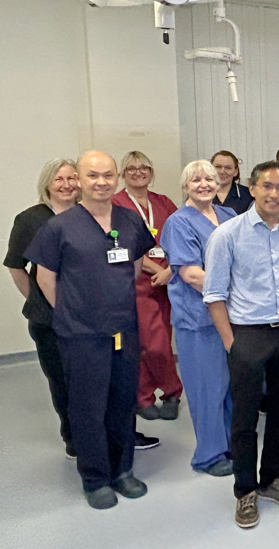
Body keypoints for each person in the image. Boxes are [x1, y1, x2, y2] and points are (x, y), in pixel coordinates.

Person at [26, 150, 157, 509]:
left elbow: (133, 266)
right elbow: (45, 277)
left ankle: (122, 471)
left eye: (107, 175)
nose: (101, 182)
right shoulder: (59, 227)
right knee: (87, 407)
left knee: (121, 402)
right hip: (81, 334)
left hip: (122, 330)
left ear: (116, 179)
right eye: (93, 176)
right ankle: (95, 478)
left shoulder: (129, 221)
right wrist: (74, 314)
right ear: (80, 181)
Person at [203, 160, 279, 528]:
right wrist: (231, 342)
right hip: (248, 334)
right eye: (266, 186)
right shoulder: (228, 235)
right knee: (245, 416)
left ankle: (271, 479)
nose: (273, 194)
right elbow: (214, 294)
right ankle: (245, 490)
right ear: (252, 188)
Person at [159, 160, 236, 477]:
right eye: (196, 179)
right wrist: (238, 289)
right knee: (207, 388)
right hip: (198, 321)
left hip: (233, 317)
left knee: (230, 386)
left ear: (219, 183)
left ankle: (230, 443)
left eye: (210, 178)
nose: (203, 184)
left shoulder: (229, 216)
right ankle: (209, 455)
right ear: (185, 186)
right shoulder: (178, 223)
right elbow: (190, 273)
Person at [5, 158, 78, 458]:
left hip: (87, 317)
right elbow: (16, 266)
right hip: (50, 320)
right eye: (59, 179)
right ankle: (73, 439)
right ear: (47, 183)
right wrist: (36, 300)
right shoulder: (30, 220)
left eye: (73, 178)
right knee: (62, 381)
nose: (67, 185)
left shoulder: (89, 216)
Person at [113, 151, 182, 421]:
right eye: (131, 168)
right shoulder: (116, 204)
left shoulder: (163, 202)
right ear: (122, 174)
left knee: (160, 338)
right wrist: (159, 269)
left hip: (168, 282)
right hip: (137, 282)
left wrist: (170, 270)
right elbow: (120, 245)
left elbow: (180, 236)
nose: (138, 172)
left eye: (143, 168)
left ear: (151, 173)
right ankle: (163, 391)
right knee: (149, 343)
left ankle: (159, 395)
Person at [211, 150, 253, 214]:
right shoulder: (202, 193)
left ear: (236, 171)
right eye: (218, 167)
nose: (222, 171)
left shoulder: (248, 195)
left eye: (228, 168)